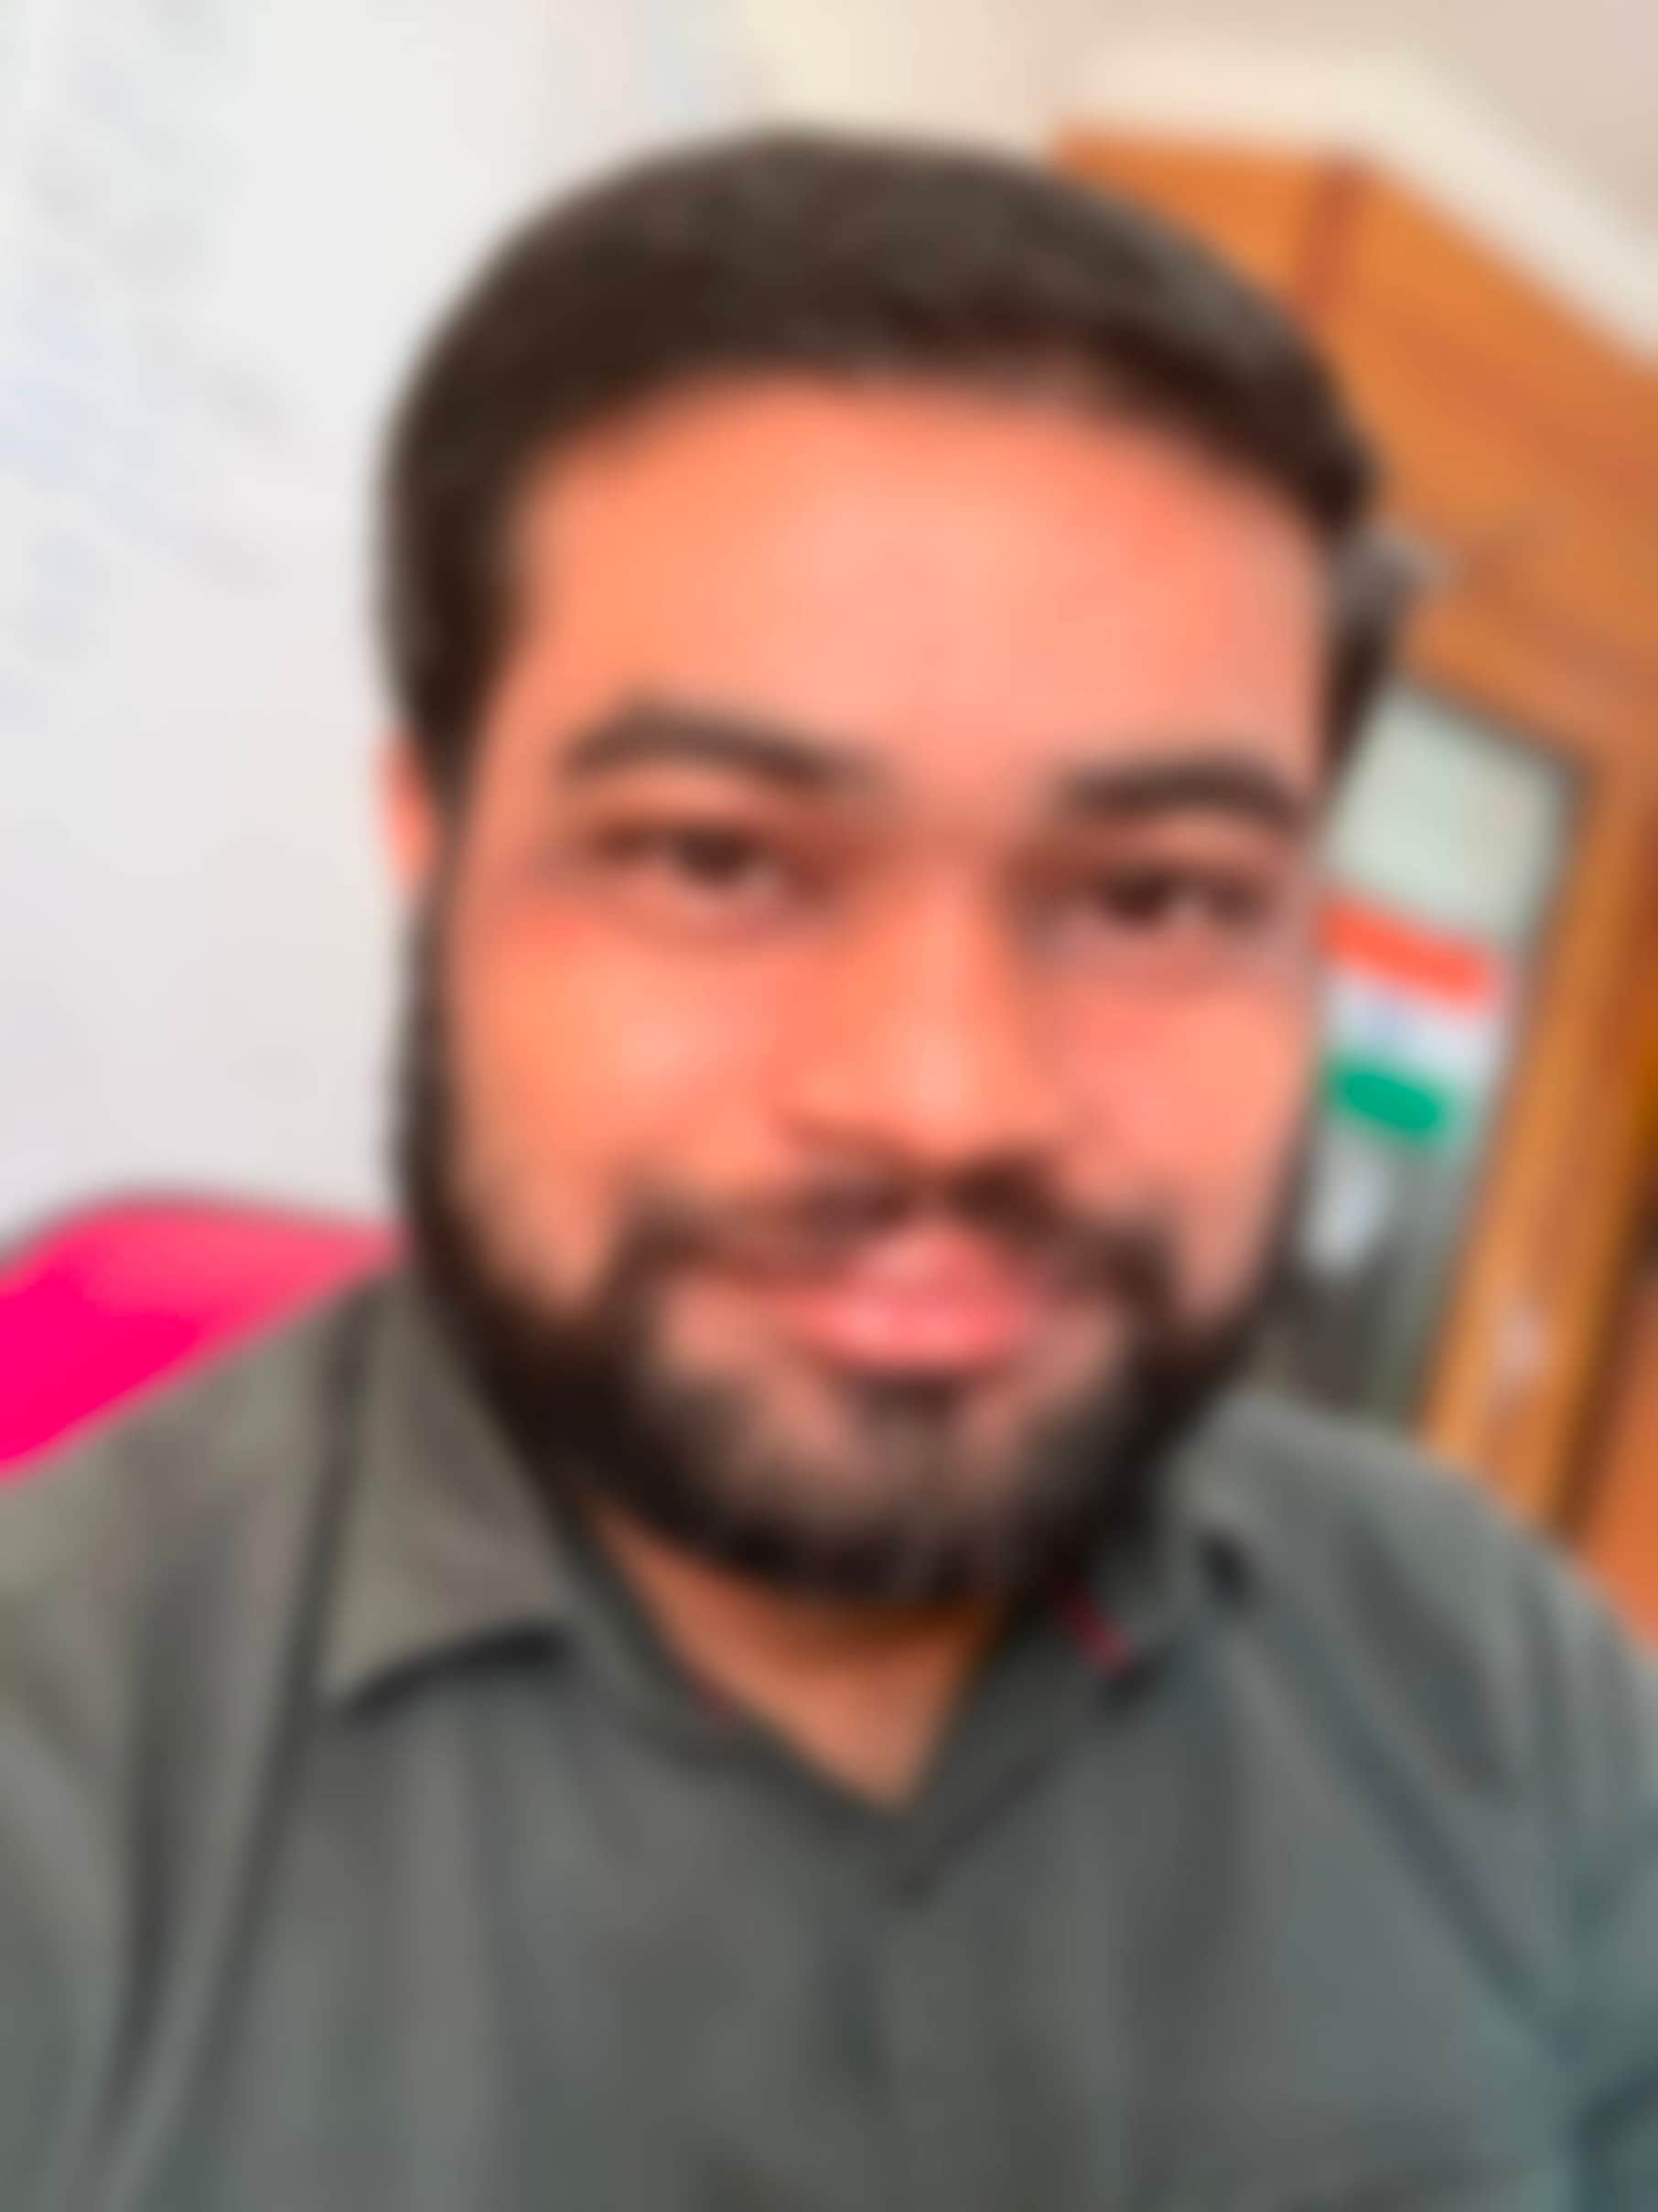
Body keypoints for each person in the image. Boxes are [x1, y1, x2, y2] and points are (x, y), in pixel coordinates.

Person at [3, 131, 1653, 2212]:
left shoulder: (1502, 1683)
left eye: (1156, 895)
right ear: (432, 845)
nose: (947, 1100)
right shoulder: (56, 1801)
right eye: (718, 859)